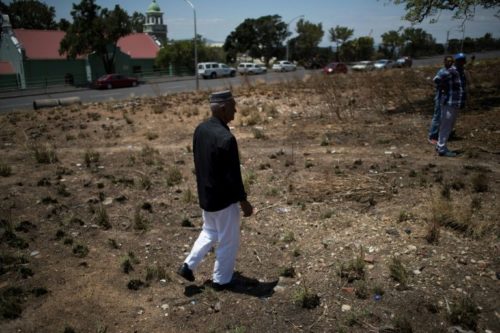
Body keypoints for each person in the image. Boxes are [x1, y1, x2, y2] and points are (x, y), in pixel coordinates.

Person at [177, 90, 253, 290]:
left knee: (209, 231)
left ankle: (188, 265)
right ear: (222, 108)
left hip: (206, 197)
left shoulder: (200, 130)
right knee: (229, 241)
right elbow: (233, 176)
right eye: (232, 106)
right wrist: (243, 201)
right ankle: (221, 280)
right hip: (224, 201)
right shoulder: (226, 138)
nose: (235, 111)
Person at [436, 53, 467, 157]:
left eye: (462, 60)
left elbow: (462, 89)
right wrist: (443, 88)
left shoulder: (462, 72)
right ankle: (442, 148)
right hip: (448, 102)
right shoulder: (449, 71)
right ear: (456, 61)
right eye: (459, 60)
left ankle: (440, 145)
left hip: (456, 103)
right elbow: (437, 79)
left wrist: (462, 102)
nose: (461, 62)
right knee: (446, 125)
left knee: (449, 125)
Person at [428, 55, 454, 145]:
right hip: (441, 96)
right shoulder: (442, 71)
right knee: (437, 116)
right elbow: (436, 80)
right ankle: (433, 136)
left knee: (446, 116)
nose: (450, 63)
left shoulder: (453, 71)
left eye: (451, 61)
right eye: (448, 61)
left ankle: (444, 134)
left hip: (449, 97)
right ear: (444, 62)